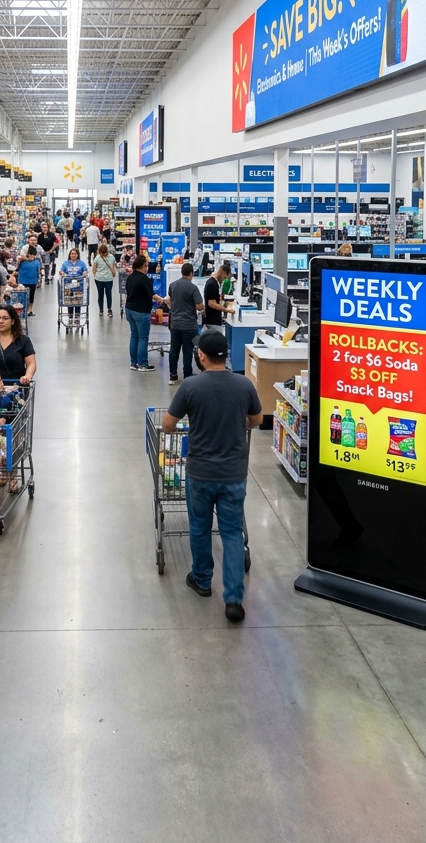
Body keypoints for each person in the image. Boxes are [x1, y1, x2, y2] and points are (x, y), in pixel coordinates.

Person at [162, 330, 262, 622]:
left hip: (200, 473)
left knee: (200, 527)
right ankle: (233, 599)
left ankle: (203, 580)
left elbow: (168, 425)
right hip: (233, 473)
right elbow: (256, 420)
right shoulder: (244, 385)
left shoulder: (191, 387)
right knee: (231, 532)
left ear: (202, 356)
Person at [164, 262, 205, 382]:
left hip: (175, 324)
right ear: (191, 273)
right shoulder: (193, 288)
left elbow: (170, 301)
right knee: (187, 351)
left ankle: (173, 375)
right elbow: (199, 306)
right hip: (189, 325)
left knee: (174, 350)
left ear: (182, 272)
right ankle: (187, 375)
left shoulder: (172, 285)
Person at [124, 255, 164, 371]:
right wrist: (162, 299)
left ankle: (134, 362)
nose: (147, 268)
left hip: (129, 309)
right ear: (142, 266)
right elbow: (152, 294)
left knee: (134, 335)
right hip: (141, 311)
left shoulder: (130, 278)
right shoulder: (144, 279)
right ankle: (143, 364)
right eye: (146, 266)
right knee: (143, 337)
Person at [59, 247, 88, 324]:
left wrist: (84, 274)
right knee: (70, 302)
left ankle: (77, 318)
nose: (73, 255)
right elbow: (61, 271)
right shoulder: (65, 263)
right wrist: (62, 273)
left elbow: (85, 271)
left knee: (78, 302)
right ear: (70, 255)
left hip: (79, 286)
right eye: (72, 254)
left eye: (75, 254)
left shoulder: (81, 263)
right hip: (68, 286)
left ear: (77, 255)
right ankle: (70, 317)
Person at [203, 262, 235, 327]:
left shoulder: (215, 283)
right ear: (222, 272)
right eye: (224, 277)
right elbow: (211, 303)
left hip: (214, 320)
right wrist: (226, 309)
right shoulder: (212, 284)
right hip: (212, 321)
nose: (224, 280)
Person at [91, 242, 117, 317]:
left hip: (108, 279)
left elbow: (113, 266)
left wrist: (95, 274)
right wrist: (95, 275)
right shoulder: (97, 257)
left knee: (108, 294)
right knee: (101, 294)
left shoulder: (111, 257)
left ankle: (109, 309)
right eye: (102, 253)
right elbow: (94, 268)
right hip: (100, 279)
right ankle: (101, 309)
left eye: (104, 253)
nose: (103, 254)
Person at [17, 245, 41, 316]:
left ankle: (30, 310)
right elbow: (16, 266)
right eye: (30, 255)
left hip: (33, 281)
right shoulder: (22, 261)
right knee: (22, 296)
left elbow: (38, 271)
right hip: (22, 281)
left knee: (31, 295)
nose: (31, 257)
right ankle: (22, 309)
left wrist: (39, 280)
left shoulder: (37, 262)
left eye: (33, 255)